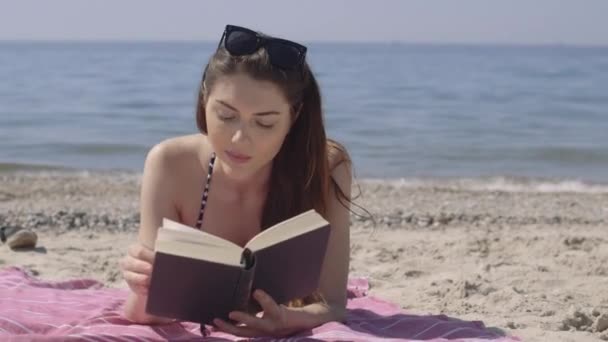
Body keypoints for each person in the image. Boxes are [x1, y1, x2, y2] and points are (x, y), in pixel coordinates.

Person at [119, 24, 354, 338]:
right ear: (205, 100)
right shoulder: (170, 165)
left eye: (265, 123)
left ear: (292, 118)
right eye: (226, 116)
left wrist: (284, 320)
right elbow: (145, 312)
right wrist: (142, 285)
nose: (240, 139)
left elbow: (334, 305)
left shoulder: (325, 167)